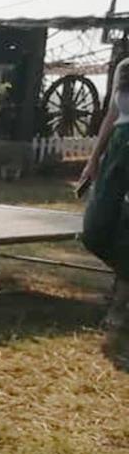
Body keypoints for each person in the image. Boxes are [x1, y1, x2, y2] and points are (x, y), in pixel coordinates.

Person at [79, 57, 129, 337]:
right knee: (94, 229)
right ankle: (126, 272)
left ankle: (119, 305)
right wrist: (93, 159)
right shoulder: (125, 67)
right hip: (119, 149)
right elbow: (111, 116)